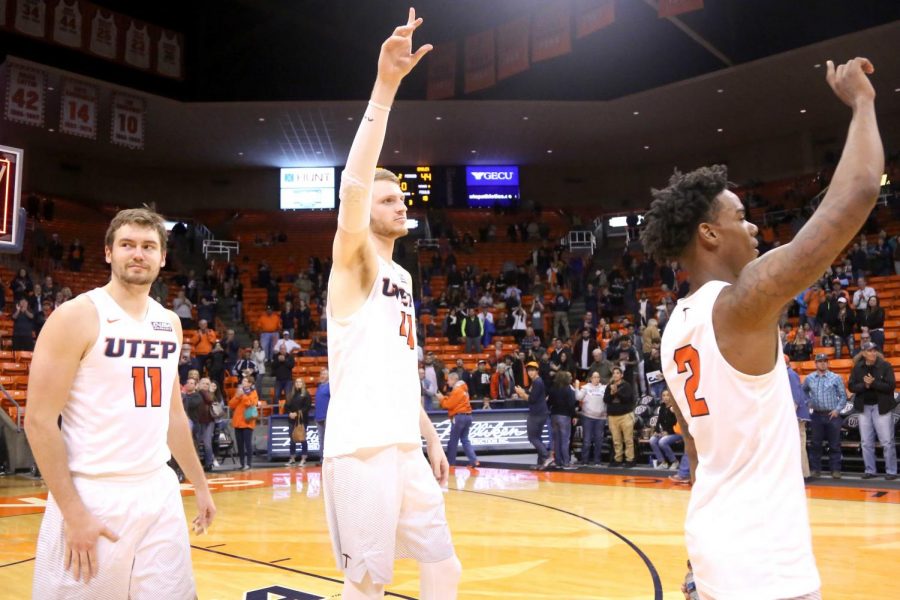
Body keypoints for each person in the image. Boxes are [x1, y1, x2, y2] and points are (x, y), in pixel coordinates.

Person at [644, 58, 881, 600]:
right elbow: (860, 191)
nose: (752, 225)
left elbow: (699, 454)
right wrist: (863, 103)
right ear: (707, 233)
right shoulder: (740, 304)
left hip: (711, 551)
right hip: (765, 569)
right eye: (739, 216)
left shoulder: (671, 332)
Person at [322, 11, 460, 599]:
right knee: (367, 583)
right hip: (359, 448)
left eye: (401, 196)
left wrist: (429, 437)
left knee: (444, 565)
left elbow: (399, 368)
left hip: (403, 442)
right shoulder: (354, 259)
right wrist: (385, 87)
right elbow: (353, 185)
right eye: (387, 198)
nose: (400, 205)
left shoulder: (401, 273)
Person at [24, 208, 215, 598]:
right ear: (109, 252)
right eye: (127, 245)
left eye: (148, 246)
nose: (138, 254)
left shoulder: (169, 322)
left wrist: (200, 484)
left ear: (163, 258)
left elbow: (173, 414)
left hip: (157, 489)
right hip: (93, 492)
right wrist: (73, 512)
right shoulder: (76, 316)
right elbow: (39, 421)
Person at [848, 342, 897, 480]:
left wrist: (873, 383)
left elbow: (891, 386)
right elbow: (851, 387)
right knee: (866, 442)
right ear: (863, 353)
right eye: (870, 351)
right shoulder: (857, 368)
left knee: (887, 441)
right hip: (864, 408)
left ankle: (891, 471)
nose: (873, 353)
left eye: (875, 350)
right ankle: (870, 470)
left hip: (881, 407)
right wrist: (865, 385)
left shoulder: (885, 366)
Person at [802, 353, 848, 479]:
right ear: (815, 363)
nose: (822, 363)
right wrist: (808, 402)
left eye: (825, 361)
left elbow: (843, 396)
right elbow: (803, 391)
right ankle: (816, 469)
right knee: (816, 444)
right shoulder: (809, 378)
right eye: (820, 361)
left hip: (832, 415)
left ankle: (835, 469)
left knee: (834, 444)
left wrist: (837, 410)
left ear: (828, 363)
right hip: (816, 415)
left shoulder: (835, 377)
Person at [436, 371, 478, 468]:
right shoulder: (463, 389)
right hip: (468, 416)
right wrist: (445, 398)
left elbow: (448, 405)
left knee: (453, 441)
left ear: (454, 379)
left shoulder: (457, 390)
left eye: (449, 380)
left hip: (459, 417)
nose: (447, 382)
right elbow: (454, 401)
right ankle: (474, 460)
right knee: (465, 439)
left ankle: (451, 463)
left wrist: (441, 398)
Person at [514, 361, 551, 469]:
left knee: (532, 438)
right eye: (529, 370)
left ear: (537, 371)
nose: (530, 373)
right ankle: (541, 462)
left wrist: (521, 393)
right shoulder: (536, 381)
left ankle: (546, 456)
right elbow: (533, 395)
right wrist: (524, 391)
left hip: (537, 414)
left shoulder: (537, 382)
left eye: (532, 370)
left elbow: (531, 400)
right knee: (537, 438)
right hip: (540, 413)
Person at [785, 356, 812, 480]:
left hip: (797, 415)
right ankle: (802, 472)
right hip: (796, 414)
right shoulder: (788, 374)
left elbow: (796, 397)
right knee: (796, 444)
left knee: (799, 444)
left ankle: (803, 473)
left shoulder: (790, 374)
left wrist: (790, 415)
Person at [604, 366, 635, 467]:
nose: (615, 375)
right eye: (614, 373)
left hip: (625, 415)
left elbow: (628, 399)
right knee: (616, 440)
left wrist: (617, 392)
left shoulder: (627, 386)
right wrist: (612, 393)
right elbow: (606, 400)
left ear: (621, 375)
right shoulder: (609, 386)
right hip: (612, 416)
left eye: (617, 373)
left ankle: (630, 459)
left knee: (628, 440)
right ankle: (618, 459)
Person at [547, 371, 578, 470]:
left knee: (557, 440)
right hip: (565, 416)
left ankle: (558, 462)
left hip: (554, 416)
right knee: (565, 441)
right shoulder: (568, 389)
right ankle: (566, 463)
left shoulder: (552, 389)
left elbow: (548, 403)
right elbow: (571, 404)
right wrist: (574, 415)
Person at [228, 375, 259, 471]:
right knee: (240, 444)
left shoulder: (253, 393)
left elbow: (250, 404)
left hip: (247, 422)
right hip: (238, 422)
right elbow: (231, 405)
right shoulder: (239, 392)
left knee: (247, 444)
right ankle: (242, 464)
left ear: (250, 383)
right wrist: (237, 397)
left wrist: (243, 396)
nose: (243, 383)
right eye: (243, 381)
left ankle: (249, 464)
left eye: (245, 381)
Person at [579, 371, 607, 467]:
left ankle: (597, 461)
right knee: (587, 440)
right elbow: (578, 397)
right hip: (588, 417)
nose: (596, 379)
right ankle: (584, 461)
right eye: (594, 377)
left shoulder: (604, 388)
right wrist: (577, 387)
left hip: (601, 418)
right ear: (590, 378)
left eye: (598, 377)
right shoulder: (585, 387)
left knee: (599, 440)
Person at [649, 389, 682, 469]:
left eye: (668, 395)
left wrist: (668, 432)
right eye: (664, 395)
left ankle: (674, 461)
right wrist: (656, 431)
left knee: (662, 441)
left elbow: (679, 424)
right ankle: (663, 462)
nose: (666, 397)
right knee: (652, 440)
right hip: (666, 433)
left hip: (677, 433)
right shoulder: (662, 407)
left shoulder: (674, 408)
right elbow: (659, 421)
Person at [284, 377, 312, 467]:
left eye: (300, 382)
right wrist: (289, 413)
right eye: (296, 382)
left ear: (303, 384)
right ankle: (292, 458)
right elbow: (286, 406)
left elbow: (307, 407)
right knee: (292, 439)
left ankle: (303, 458)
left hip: (302, 420)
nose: (298, 383)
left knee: (302, 438)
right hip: (291, 420)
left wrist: (297, 413)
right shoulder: (291, 394)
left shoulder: (306, 394)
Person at [314, 368, 330, 458]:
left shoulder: (330, 386)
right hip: (318, 417)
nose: (323, 375)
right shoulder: (319, 386)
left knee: (327, 438)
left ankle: (328, 458)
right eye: (321, 374)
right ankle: (322, 458)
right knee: (321, 438)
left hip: (327, 416)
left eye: (325, 374)